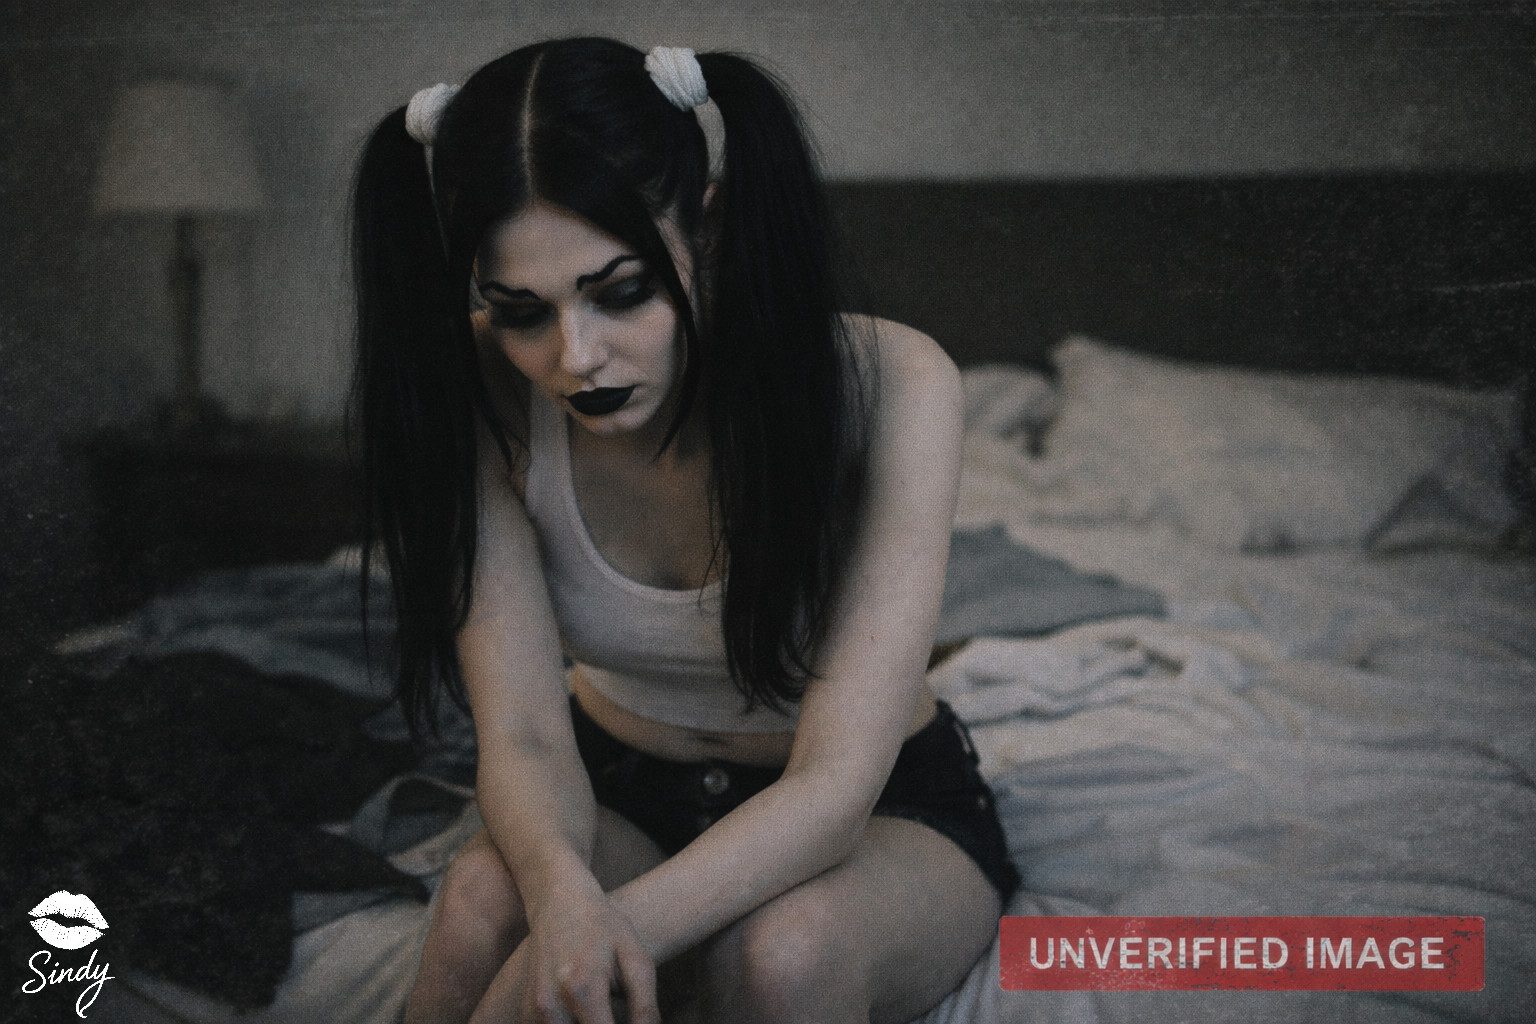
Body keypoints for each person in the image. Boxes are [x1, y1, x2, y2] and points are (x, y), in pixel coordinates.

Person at [349, 36, 1021, 1024]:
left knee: (781, 960)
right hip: (617, 791)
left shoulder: (895, 383)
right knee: (482, 904)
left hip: (874, 812)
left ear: (706, 224)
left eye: (622, 292)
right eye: (521, 311)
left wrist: (599, 936)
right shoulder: (479, 390)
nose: (576, 356)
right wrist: (562, 897)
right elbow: (526, 733)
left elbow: (835, 784)